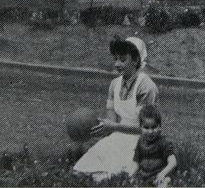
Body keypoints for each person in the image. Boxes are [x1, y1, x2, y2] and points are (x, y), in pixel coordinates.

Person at [73, 36, 158, 180]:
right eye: (115, 59)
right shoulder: (114, 84)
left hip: (141, 140)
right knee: (80, 172)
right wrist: (99, 127)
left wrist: (113, 127)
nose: (117, 64)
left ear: (136, 60)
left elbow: (146, 129)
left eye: (123, 59)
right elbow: (111, 120)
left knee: (113, 177)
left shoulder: (146, 87)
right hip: (118, 136)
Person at [134, 105, 177, 188]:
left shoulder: (164, 142)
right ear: (140, 128)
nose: (150, 132)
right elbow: (136, 162)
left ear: (160, 127)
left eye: (154, 127)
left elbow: (173, 162)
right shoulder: (140, 142)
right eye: (146, 127)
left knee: (164, 182)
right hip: (145, 177)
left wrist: (162, 174)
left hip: (160, 177)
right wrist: (130, 175)